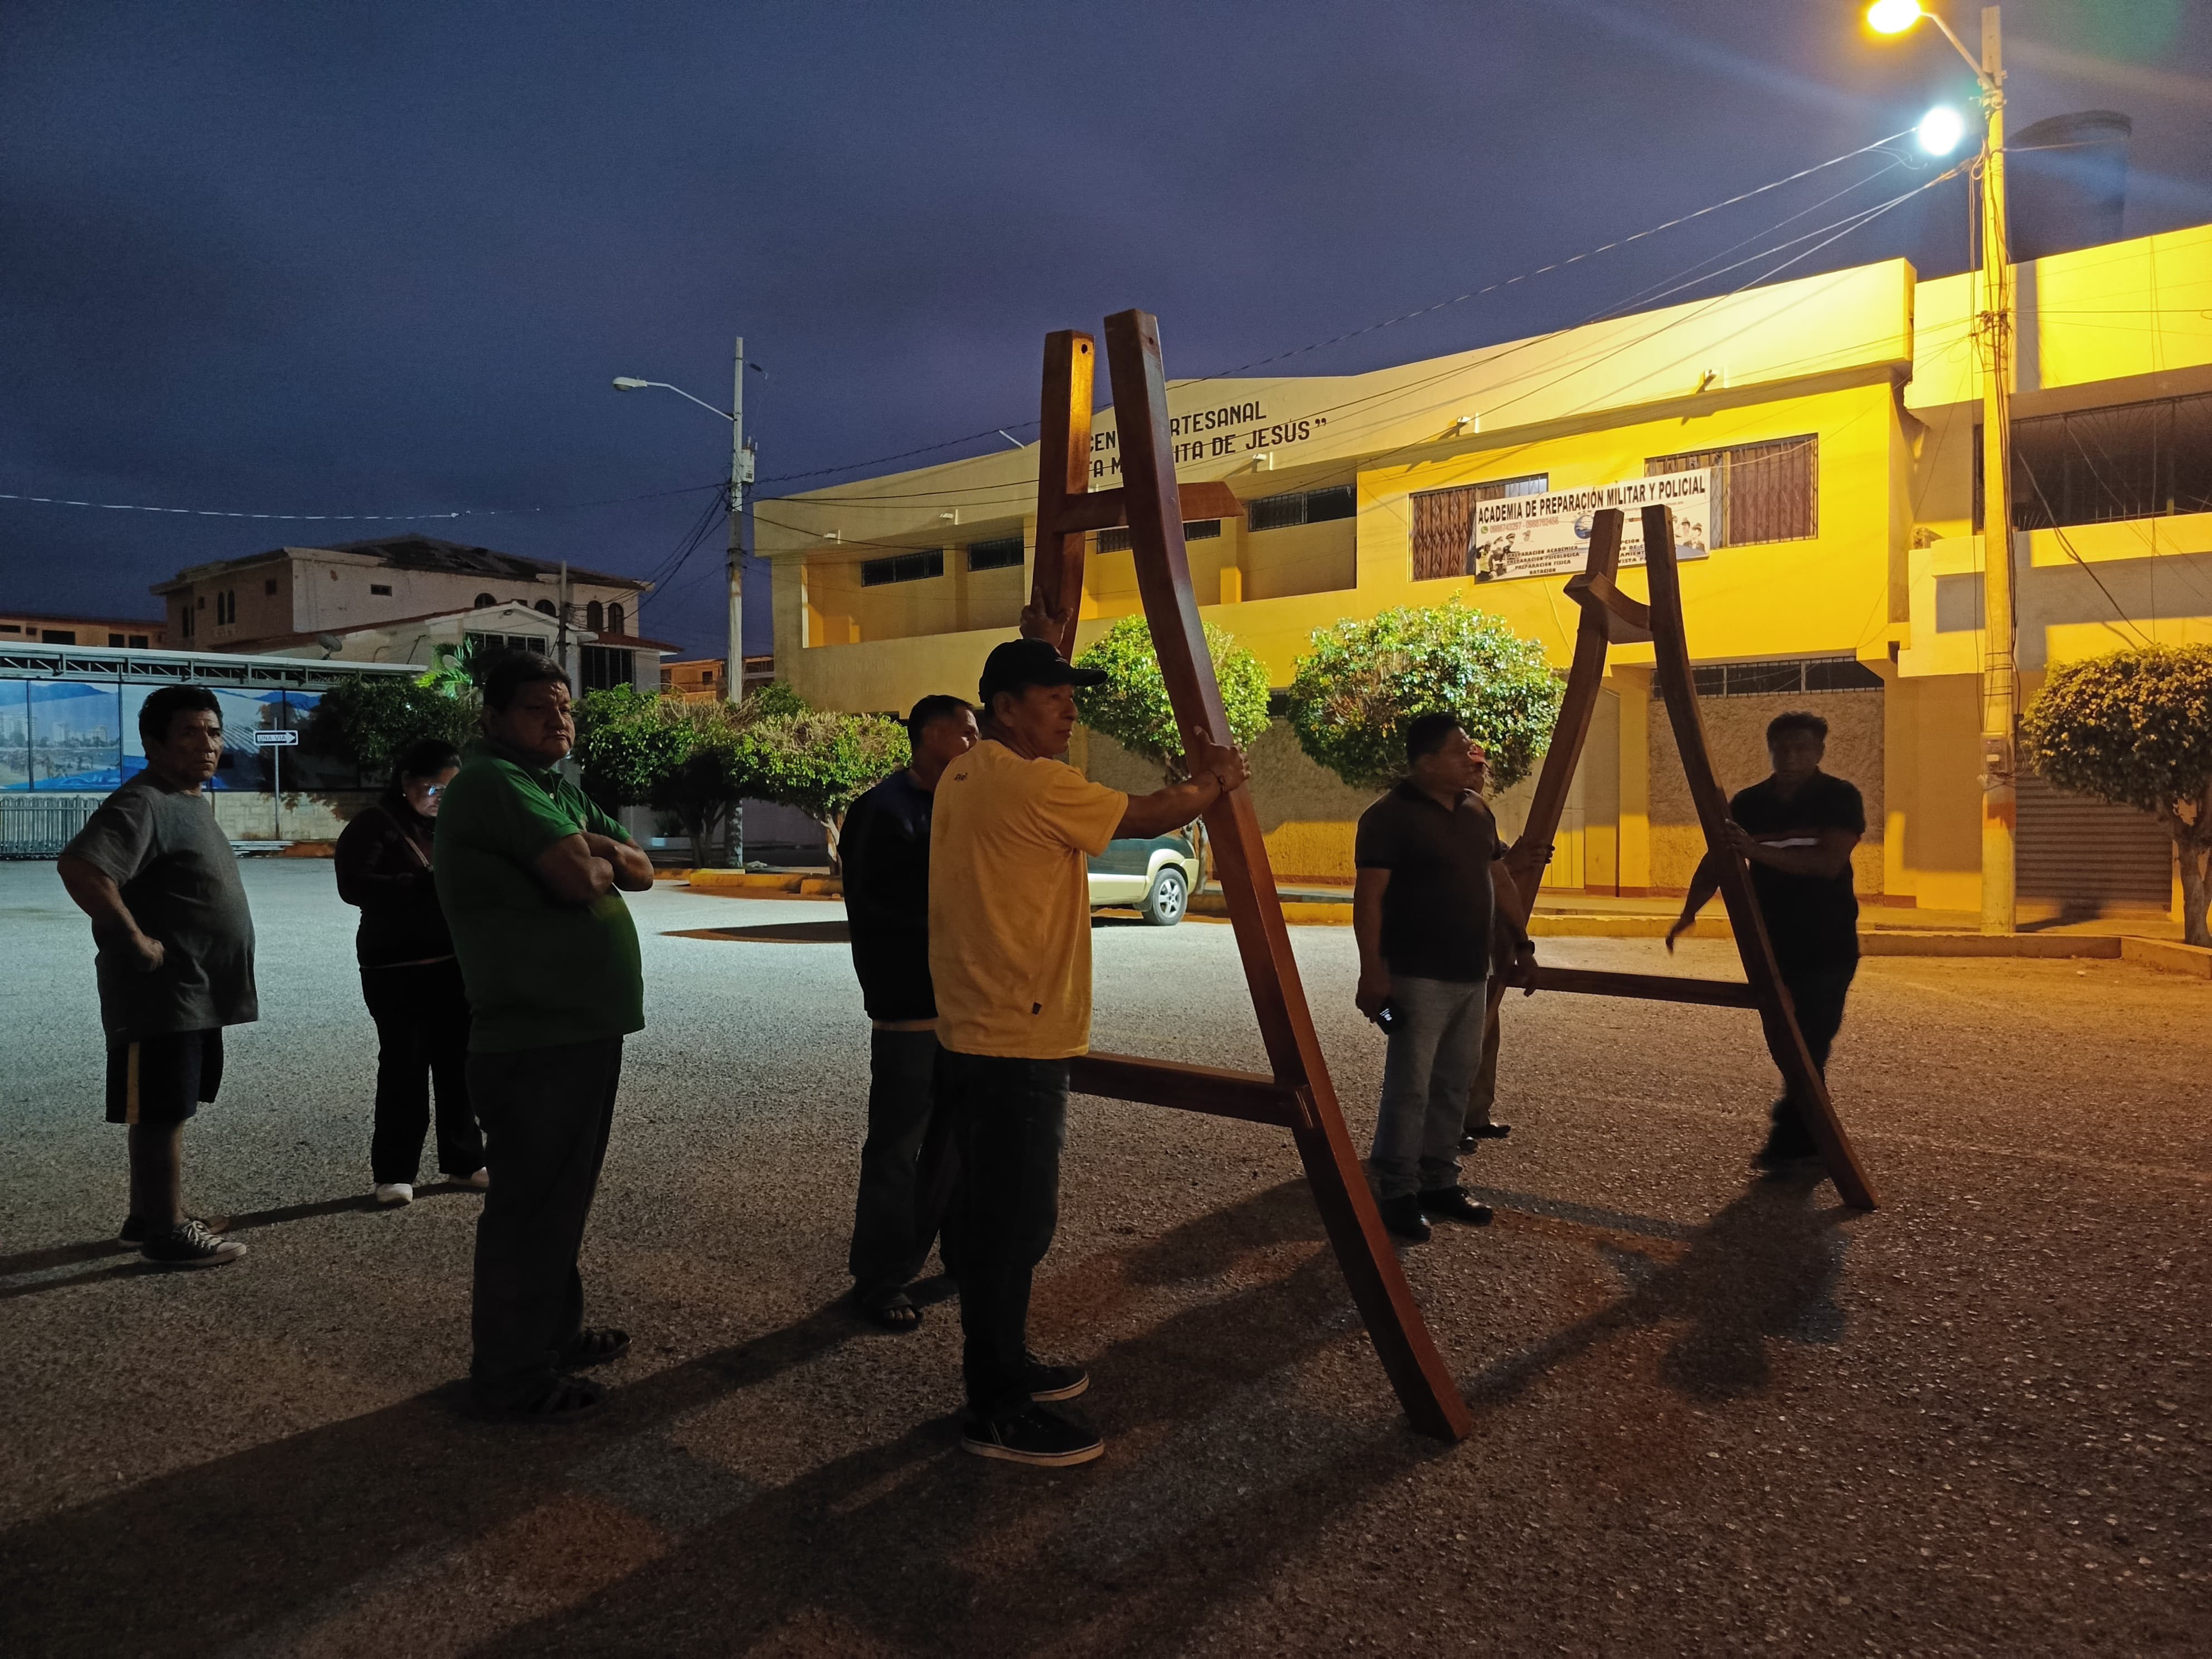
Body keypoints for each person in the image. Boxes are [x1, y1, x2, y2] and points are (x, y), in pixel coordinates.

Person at [930, 636, 1249, 1467]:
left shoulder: (965, 771)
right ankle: (995, 1407)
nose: (1070, 708)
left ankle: (1006, 1365)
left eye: (1071, 694)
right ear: (1005, 708)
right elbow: (1145, 815)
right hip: (1017, 1035)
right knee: (1013, 1226)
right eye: (1052, 695)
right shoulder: (1034, 783)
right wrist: (1216, 779)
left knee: (994, 1216)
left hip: (978, 1023)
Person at [433, 651, 656, 1422]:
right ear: (493, 718)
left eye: (565, 708)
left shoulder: (551, 787)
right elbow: (580, 880)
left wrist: (596, 845)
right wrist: (595, 852)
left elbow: (642, 870)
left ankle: (550, 1334)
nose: (559, 720)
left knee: (560, 1199)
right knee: (532, 1207)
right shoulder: (493, 782)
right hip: (536, 1035)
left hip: (577, 1028)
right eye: (538, 708)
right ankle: (513, 1374)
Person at [56, 684, 254, 1268]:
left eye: (213, 731)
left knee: (170, 1105)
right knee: (161, 1112)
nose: (207, 744)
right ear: (153, 743)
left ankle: (148, 1217)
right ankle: (166, 1236)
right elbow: (82, 867)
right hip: (160, 994)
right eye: (189, 732)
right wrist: (134, 939)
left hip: (193, 991)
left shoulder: (185, 800)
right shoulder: (142, 802)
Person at [1353, 713, 1536, 1243]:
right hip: (1415, 976)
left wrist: (1522, 943)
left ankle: (1440, 1181)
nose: (1473, 757)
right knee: (1410, 1086)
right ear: (1427, 762)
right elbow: (1369, 899)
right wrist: (1372, 972)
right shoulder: (1388, 817)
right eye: (1460, 751)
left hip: (1471, 972)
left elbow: (1498, 878)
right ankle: (1398, 1190)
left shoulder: (1477, 811)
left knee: (1456, 1080)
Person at [1667, 710, 1864, 1170]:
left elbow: (1828, 863)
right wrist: (1688, 913)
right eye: (1782, 748)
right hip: (1771, 944)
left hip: (1828, 943)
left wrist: (1755, 851)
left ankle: (1793, 1138)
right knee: (1784, 1041)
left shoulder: (1839, 798)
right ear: (1770, 750)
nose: (1791, 757)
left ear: (1819, 751)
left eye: (1802, 748)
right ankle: (1808, 1136)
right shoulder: (1751, 803)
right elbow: (1718, 861)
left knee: (1809, 1042)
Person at [841, 692, 980, 1332]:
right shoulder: (883, 809)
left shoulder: (963, 803)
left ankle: (959, 1254)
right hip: (909, 1007)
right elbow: (875, 911)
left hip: (964, 1004)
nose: (975, 744)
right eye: (966, 733)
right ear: (931, 736)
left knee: (959, 1139)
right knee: (897, 1147)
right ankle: (880, 1279)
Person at [335, 736, 486, 1206]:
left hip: (451, 965)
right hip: (394, 968)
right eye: (432, 789)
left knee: (458, 1065)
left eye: (450, 790)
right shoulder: (374, 825)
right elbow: (353, 886)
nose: (440, 798)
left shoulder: (451, 827)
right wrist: (417, 883)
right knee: (404, 1067)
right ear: (405, 782)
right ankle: (394, 1173)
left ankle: (464, 1160)